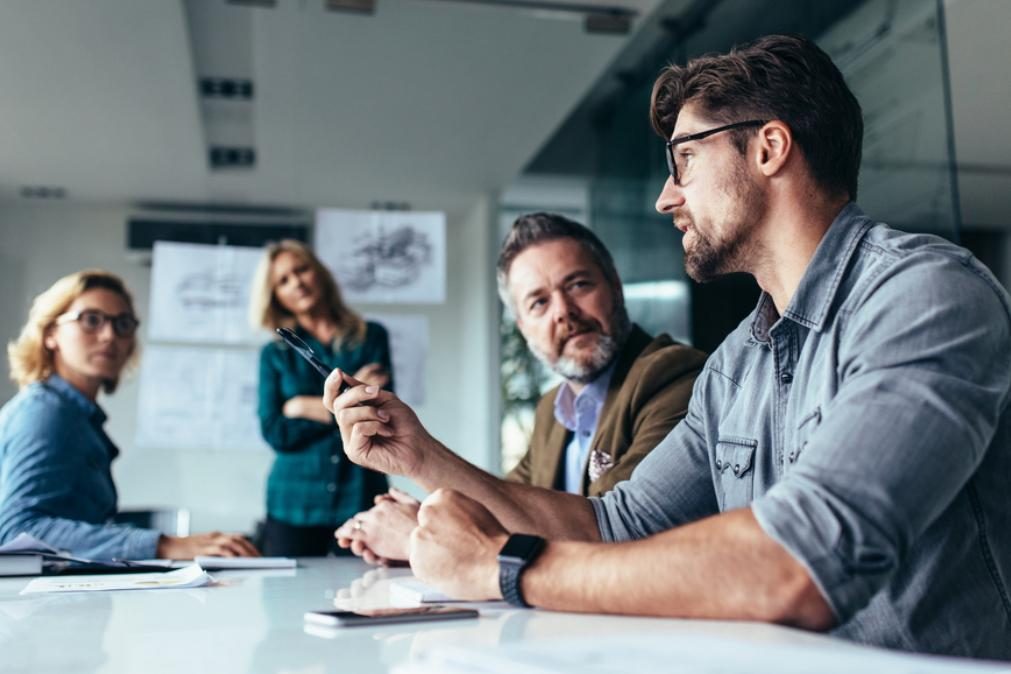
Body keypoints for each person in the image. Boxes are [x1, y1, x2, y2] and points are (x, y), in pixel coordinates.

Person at [324, 34, 1011, 659]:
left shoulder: (924, 296)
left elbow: (798, 562)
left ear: (768, 148)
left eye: (684, 159)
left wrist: (503, 567)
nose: (664, 198)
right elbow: (612, 524)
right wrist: (418, 454)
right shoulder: (738, 360)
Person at [334, 213, 707, 564]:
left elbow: (610, 533)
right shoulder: (552, 409)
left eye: (578, 285)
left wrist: (419, 533)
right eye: (539, 302)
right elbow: (506, 508)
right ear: (522, 326)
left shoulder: (673, 377)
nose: (563, 311)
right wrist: (426, 519)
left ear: (614, 286)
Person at [0, 269, 258, 560]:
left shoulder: (77, 416)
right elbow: (17, 531)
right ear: (50, 334)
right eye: (91, 320)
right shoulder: (45, 413)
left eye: (122, 324)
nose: (110, 335)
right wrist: (164, 545)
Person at [250, 239, 393, 556]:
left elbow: (377, 415)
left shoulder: (371, 337)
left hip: (359, 495)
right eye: (283, 281)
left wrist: (301, 407)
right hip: (293, 503)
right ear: (275, 296)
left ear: (319, 273)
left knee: (366, 593)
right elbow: (275, 431)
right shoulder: (274, 355)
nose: (297, 282)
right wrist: (343, 409)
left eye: (301, 270)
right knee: (285, 601)